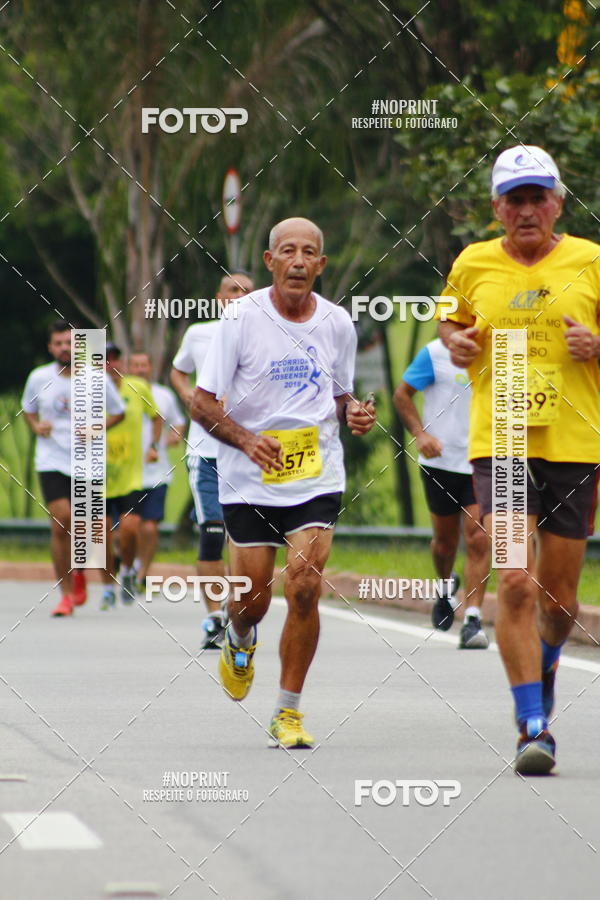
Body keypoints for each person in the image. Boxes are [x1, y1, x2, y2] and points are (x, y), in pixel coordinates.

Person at [438, 145, 600, 774]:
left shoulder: (590, 259)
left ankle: (549, 661)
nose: (527, 210)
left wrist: (596, 344)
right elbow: (449, 325)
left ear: (558, 203)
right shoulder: (472, 262)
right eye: (515, 200)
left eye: (538, 198)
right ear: (497, 208)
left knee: (559, 604)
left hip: (574, 443)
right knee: (513, 579)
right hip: (501, 439)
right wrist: (456, 341)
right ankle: (533, 725)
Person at [192, 217, 375, 748]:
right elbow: (201, 403)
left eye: (309, 252)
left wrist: (354, 413)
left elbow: (340, 397)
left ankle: (287, 711)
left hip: (315, 474)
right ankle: (240, 635)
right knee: (252, 600)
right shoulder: (241, 318)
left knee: (304, 585)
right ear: (270, 261)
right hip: (249, 476)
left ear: (321, 264)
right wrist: (247, 441)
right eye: (288, 251)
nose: (298, 260)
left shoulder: (338, 323)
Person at [171, 271, 254, 649]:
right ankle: (214, 617)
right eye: (232, 290)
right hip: (205, 452)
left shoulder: (267, 337)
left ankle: (241, 612)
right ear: (219, 298)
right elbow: (178, 370)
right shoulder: (199, 334)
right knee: (212, 535)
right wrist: (187, 393)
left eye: (247, 291)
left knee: (245, 538)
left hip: (248, 452)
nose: (239, 296)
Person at [22, 321, 124, 616]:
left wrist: (97, 427)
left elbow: (118, 413)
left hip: (88, 461)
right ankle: (65, 595)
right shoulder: (38, 378)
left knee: (94, 528)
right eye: (58, 343)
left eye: (70, 343)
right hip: (51, 459)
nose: (64, 348)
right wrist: (36, 426)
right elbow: (28, 409)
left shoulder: (97, 378)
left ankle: (87, 572)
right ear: (50, 347)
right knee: (61, 522)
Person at [394, 338, 490, 648]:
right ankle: (446, 587)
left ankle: (473, 620)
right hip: (440, 462)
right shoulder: (435, 353)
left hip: (482, 461)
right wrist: (420, 435)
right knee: (445, 543)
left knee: (478, 537)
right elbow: (401, 395)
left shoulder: (501, 348)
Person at [101, 343, 162, 609]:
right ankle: (106, 587)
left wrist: (153, 445)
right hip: (98, 475)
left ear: (122, 363)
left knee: (129, 529)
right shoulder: (86, 392)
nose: (110, 364)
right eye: (104, 360)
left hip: (131, 475)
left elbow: (156, 417)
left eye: (115, 359)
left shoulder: (138, 387)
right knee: (101, 535)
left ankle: (126, 570)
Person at [127, 352, 185, 591]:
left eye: (144, 365)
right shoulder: (119, 394)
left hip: (157, 474)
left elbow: (178, 422)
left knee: (150, 527)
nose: (140, 369)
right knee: (125, 530)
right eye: (136, 365)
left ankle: (142, 573)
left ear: (151, 367)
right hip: (126, 475)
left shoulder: (164, 395)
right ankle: (128, 564)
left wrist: (174, 437)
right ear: (129, 368)